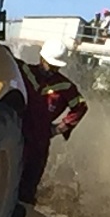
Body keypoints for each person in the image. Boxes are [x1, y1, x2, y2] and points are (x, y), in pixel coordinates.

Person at [17, 38, 88, 204]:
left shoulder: (65, 87)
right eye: (50, 64)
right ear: (42, 59)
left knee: (27, 186)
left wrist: (59, 129)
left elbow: (80, 108)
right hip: (15, 132)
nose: (53, 69)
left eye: (57, 66)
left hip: (39, 141)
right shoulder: (24, 72)